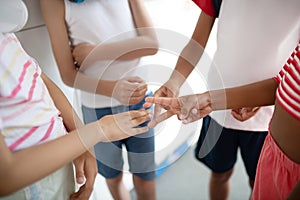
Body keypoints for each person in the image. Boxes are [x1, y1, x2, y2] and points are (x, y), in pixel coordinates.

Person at [147, 0, 300, 199]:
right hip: (217, 107)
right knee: (219, 173)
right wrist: (175, 81)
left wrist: (264, 98)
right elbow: (196, 42)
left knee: (259, 179)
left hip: (268, 114)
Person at [0, 1, 151, 199]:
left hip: (62, 163)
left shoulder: (7, 34)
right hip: (92, 115)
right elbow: (6, 176)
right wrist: (94, 132)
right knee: (113, 177)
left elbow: (37, 74)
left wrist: (83, 139)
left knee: (146, 176)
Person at [40, 0, 159, 199]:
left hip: (140, 102)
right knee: (113, 178)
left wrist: (94, 52)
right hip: (97, 111)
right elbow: (68, 74)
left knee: (145, 177)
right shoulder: (52, 3)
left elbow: (152, 43)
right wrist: (113, 89)